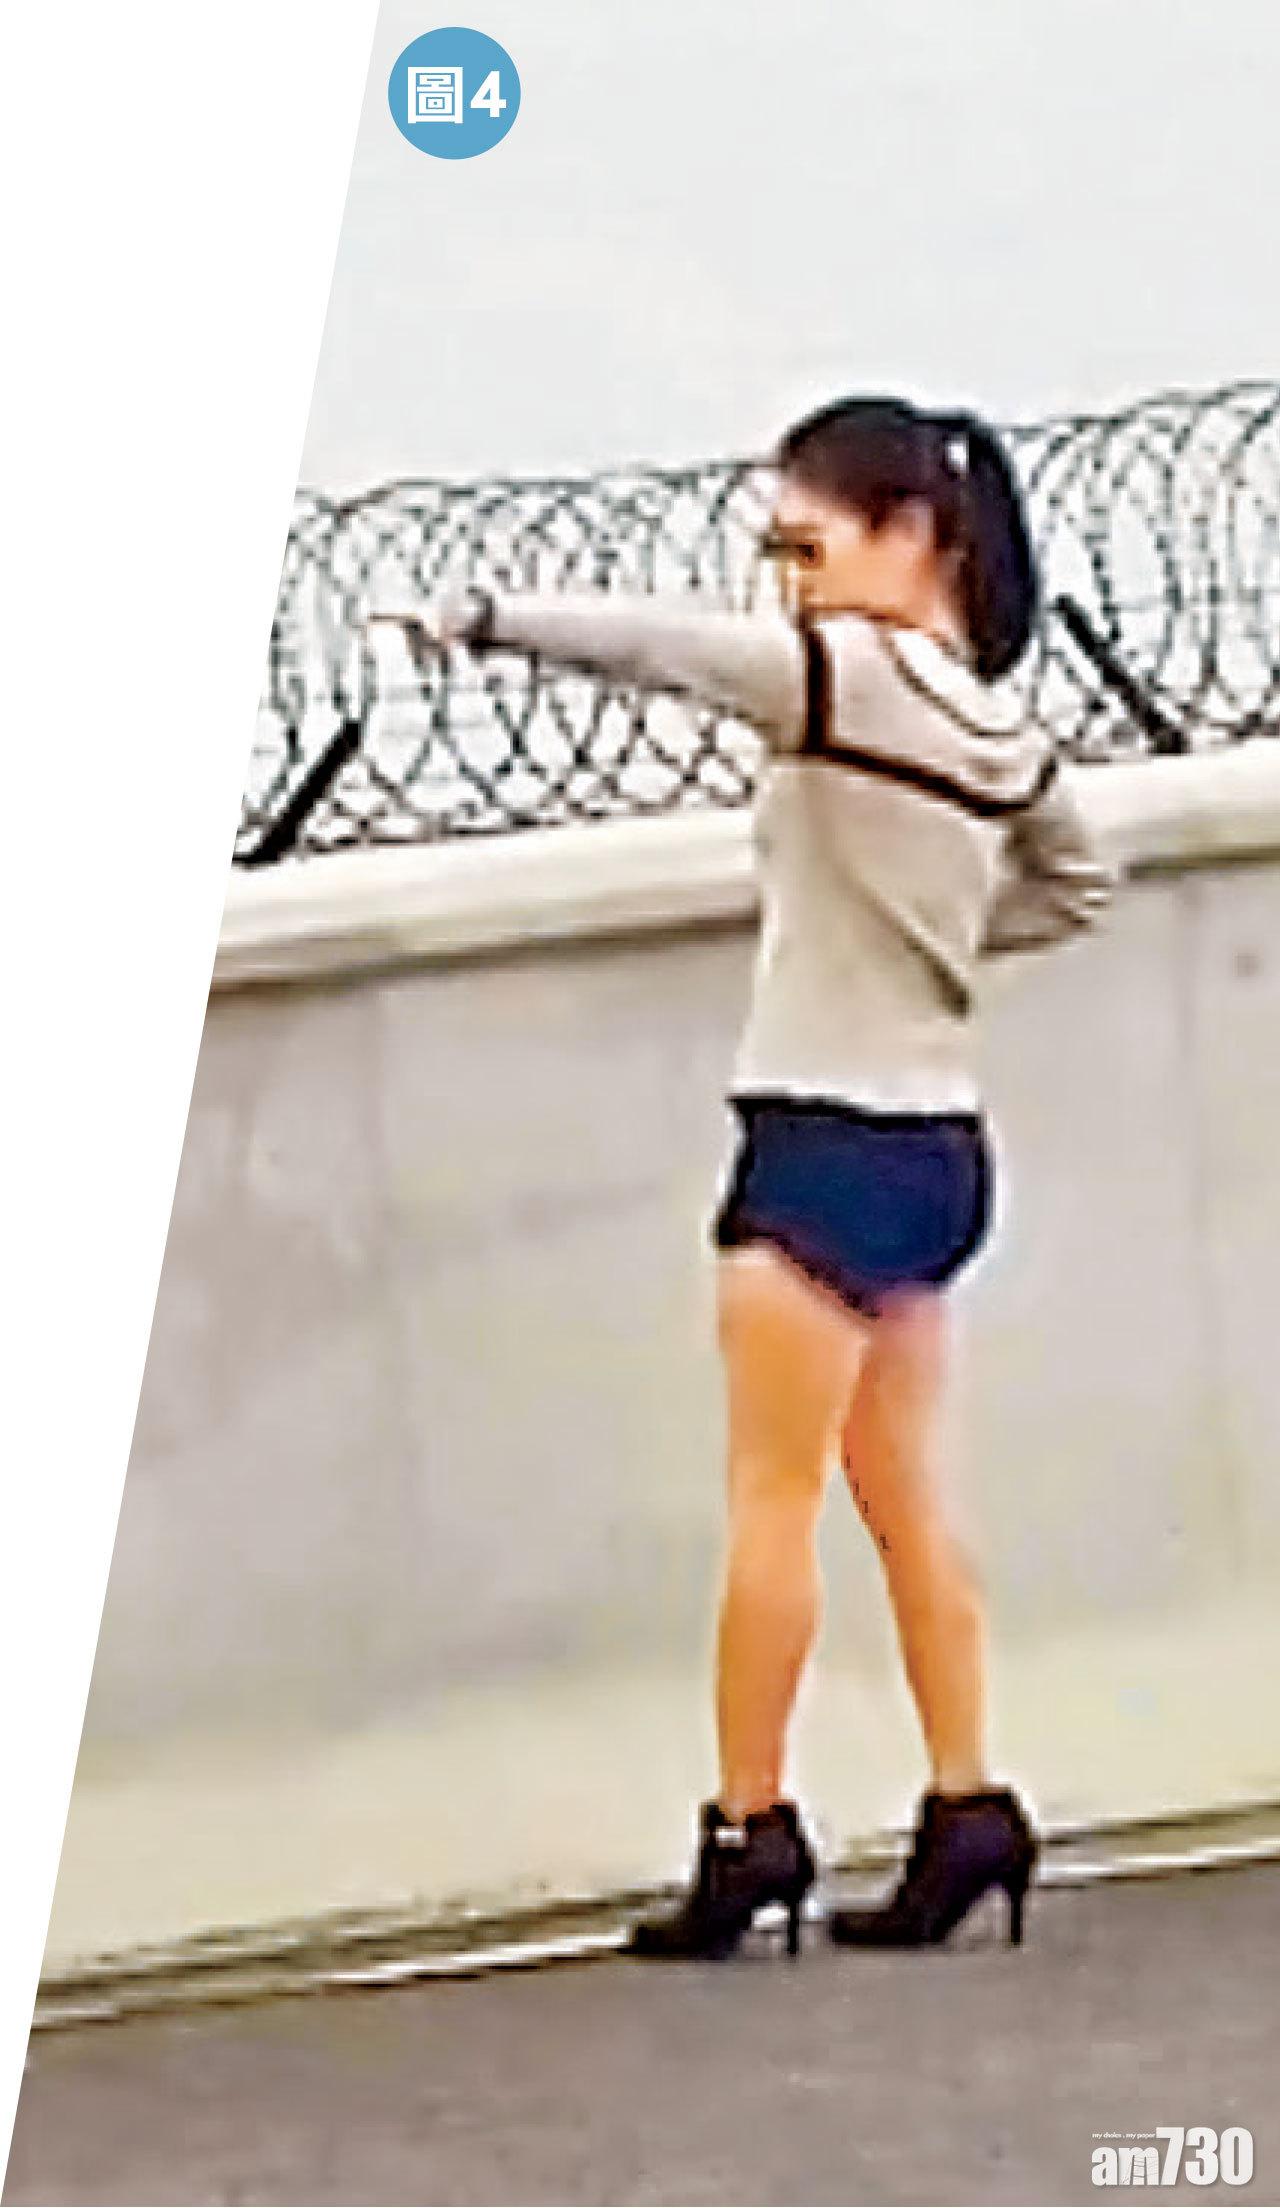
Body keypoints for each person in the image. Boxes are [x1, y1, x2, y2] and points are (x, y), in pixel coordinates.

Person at [370, 394, 1117, 1961]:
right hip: (939, 1146)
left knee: (771, 1501)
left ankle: (748, 1831)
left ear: (914, 537)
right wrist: (942, 944)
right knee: (909, 1499)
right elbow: (1080, 882)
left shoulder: (837, 676)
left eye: (809, 545)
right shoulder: (1004, 729)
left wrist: (485, 617)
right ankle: (969, 1803)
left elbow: (664, 651)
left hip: (819, 1134)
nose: (790, 581)